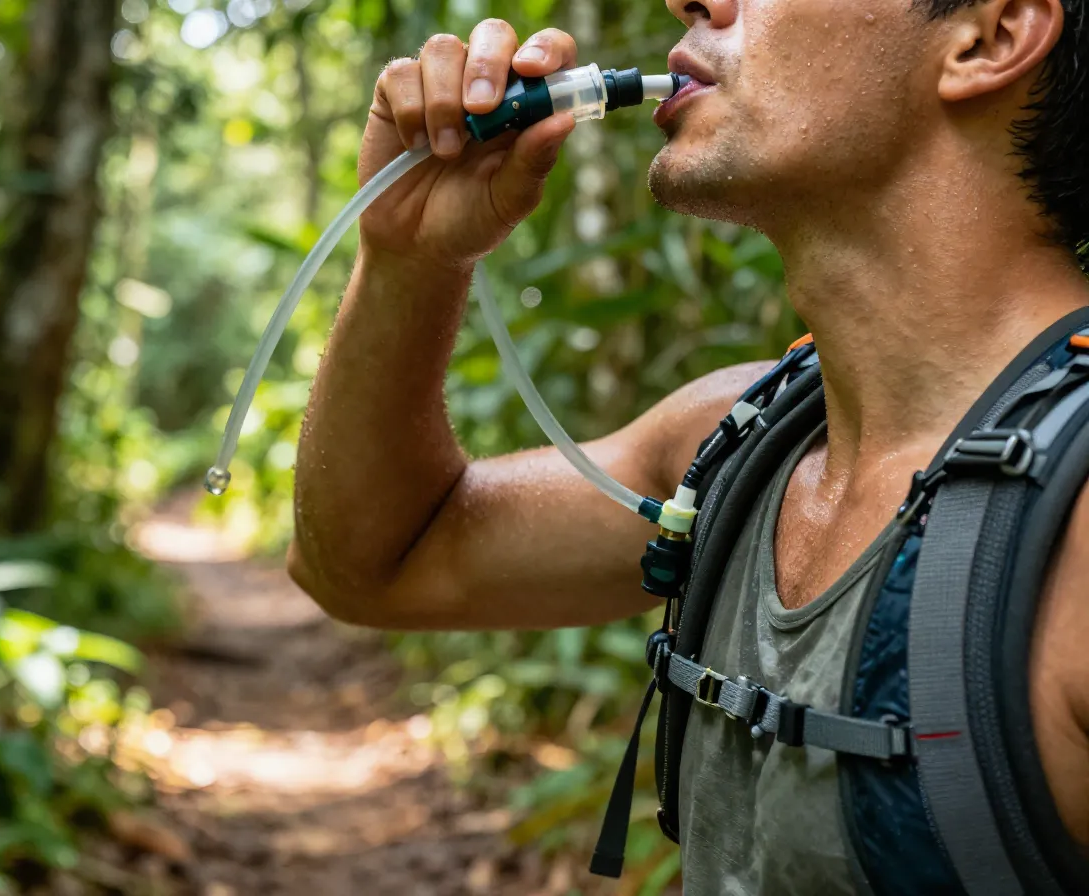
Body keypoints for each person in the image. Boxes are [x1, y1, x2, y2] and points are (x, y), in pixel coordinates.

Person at [288, 1, 1089, 892]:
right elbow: (374, 563)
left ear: (991, 35)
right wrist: (408, 259)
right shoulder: (738, 442)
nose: (691, 1)